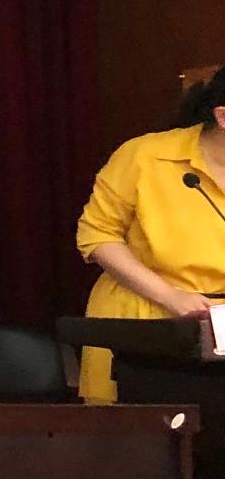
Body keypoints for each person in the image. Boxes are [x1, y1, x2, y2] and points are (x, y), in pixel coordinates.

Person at [76, 67, 225, 402]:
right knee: (140, 432)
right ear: (222, 117)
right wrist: (170, 296)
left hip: (219, 328)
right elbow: (97, 236)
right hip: (144, 319)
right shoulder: (145, 156)